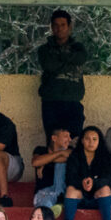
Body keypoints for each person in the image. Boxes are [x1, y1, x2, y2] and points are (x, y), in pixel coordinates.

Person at [33, 8, 89, 140]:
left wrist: (59, 57)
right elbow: (49, 65)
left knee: (74, 142)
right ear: (52, 27)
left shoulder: (78, 47)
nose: (59, 28)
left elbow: (81, 58)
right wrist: (69, 60)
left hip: (73, 101)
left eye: (63, 25)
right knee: (53, 142)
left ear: (69, 27)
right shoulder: (44, 49)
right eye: (56, 25)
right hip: (51, 102)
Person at [60, 125, 111, 220]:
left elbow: (108, 179)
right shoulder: (74, 156)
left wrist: (93, 183)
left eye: (95, 139)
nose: (91, 142)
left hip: (98, 197)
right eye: (87, 139)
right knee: (70, 190)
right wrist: (82, 183)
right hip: (80, 197)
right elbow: (70, 178)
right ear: (82, 140)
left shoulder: (106, 157)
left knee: (105, 189)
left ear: (99, 141)